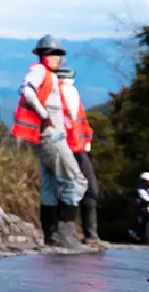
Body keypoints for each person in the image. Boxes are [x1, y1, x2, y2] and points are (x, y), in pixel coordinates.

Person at [11, 35, 88, 249]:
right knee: (76, 181)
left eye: (58, 54)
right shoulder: (39, 70)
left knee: (51, 184)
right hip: (51, 136)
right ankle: (66, 233)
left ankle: (50, 235)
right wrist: (44, 114)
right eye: (52, 54)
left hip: (45, 136)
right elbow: (26, 89)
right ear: (43, 55)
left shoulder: (49, 75)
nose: (56, 58)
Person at [55, 66, 104, 248]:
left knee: (90, 190)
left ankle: (91, 235)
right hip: (65, 149)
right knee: (69, 190)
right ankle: (65, 235)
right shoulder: (56, 94)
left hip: (79, 148)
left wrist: (86, 140)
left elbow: (80, 122)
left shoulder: (72, 94)